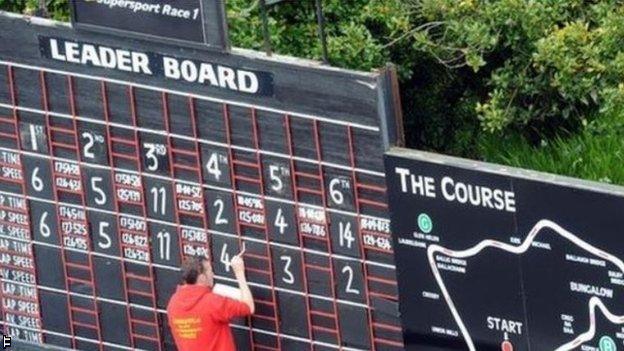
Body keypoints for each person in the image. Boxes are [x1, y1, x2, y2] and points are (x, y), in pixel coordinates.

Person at [167, 248, 254, 351]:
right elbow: (249, 307)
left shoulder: (173, 304)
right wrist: (239, 272)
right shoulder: (212, 302)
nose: (213, 274)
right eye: (210, 271)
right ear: (202, 277)